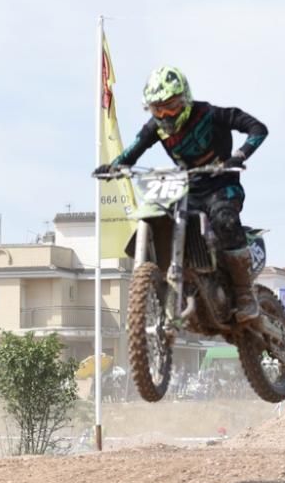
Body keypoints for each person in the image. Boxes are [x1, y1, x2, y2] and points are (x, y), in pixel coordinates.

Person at [93, 66, 268, 321]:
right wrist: (115, 166)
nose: (165, 115)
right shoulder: (157, 127)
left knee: (224, 220)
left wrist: (239, 155)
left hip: (222, 188)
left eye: (171, 107)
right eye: (157, 109)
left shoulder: (210, 114)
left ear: (184, 99)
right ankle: (177, 283)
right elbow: (133, 150)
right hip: (188, 191)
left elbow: (257, 128)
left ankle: (244, 294)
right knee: (162, 218)